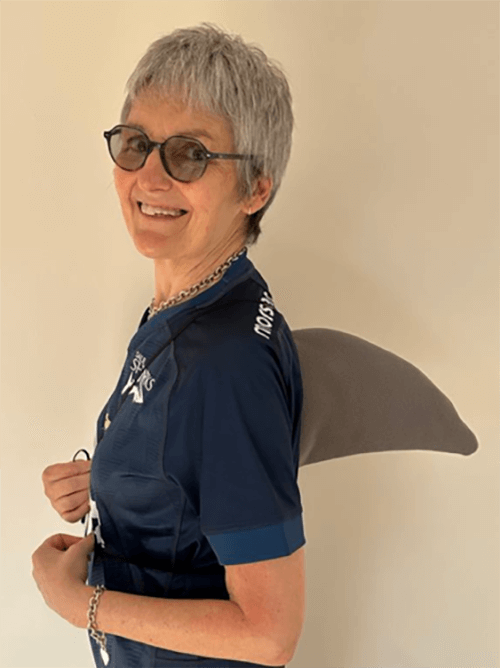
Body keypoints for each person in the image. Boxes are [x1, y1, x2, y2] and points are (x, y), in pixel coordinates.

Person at [34, 22, 304, 668]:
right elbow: (192, 470)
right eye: (136, 144)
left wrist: (78, 604)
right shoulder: (199, 304)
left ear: (256, 188)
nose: (150, 176)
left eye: (190, 155)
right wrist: (109, 481)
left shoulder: (224, 361)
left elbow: (269, 634)